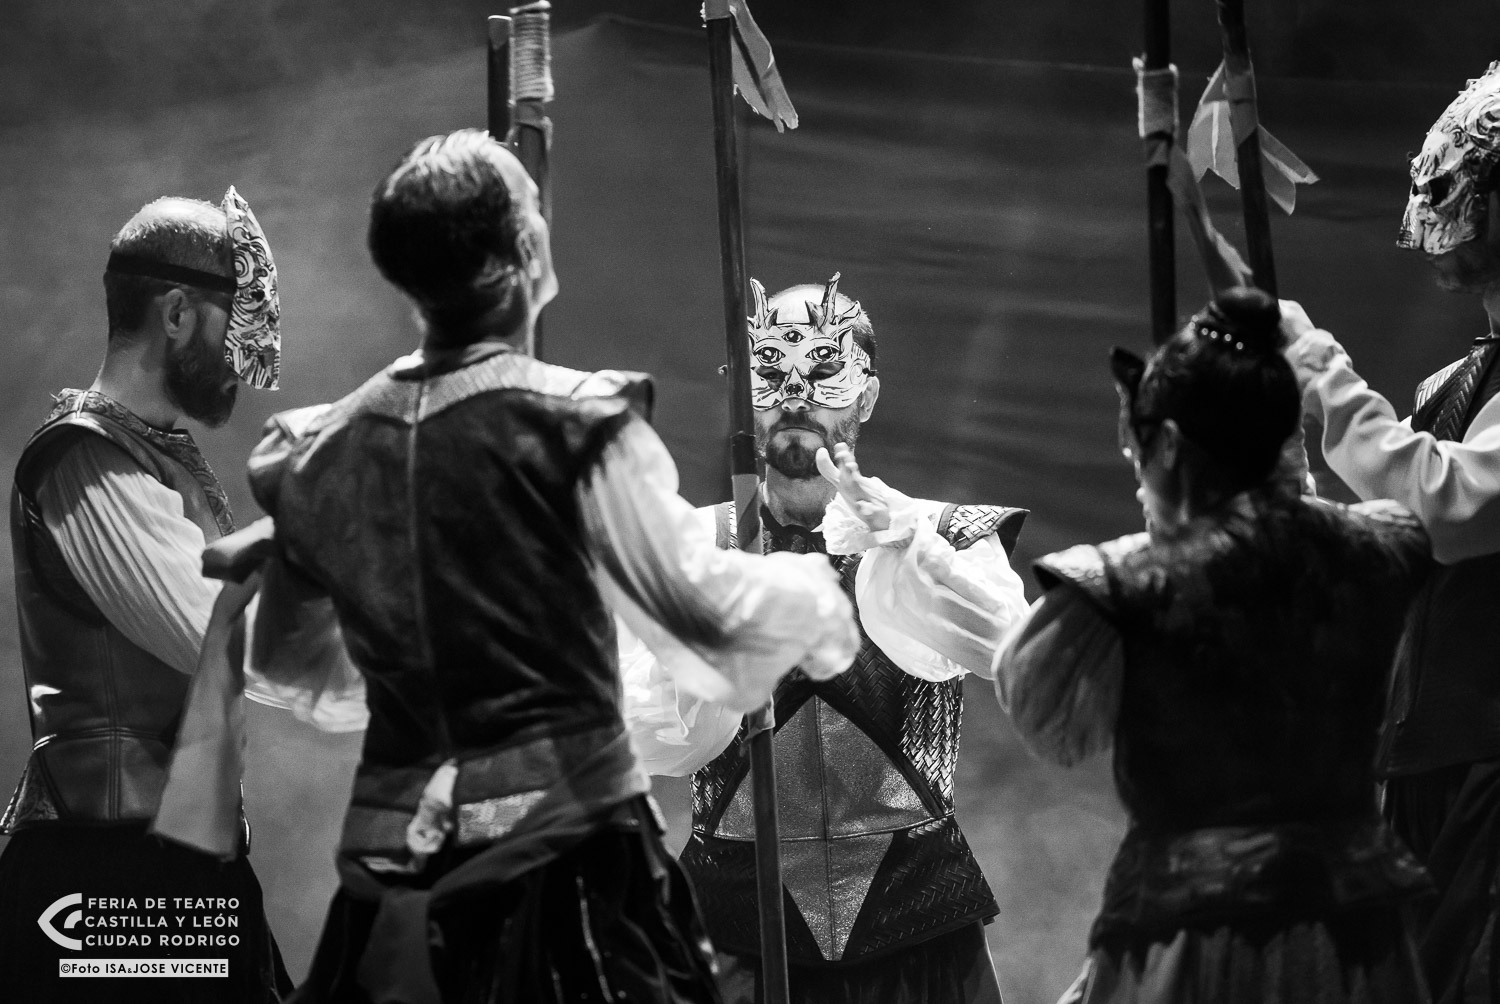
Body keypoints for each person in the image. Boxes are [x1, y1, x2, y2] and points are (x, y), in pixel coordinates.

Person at [196, 128, 861, 1004]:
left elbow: (296, 666)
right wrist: (809, 598)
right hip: (564, 882)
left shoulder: (326, 447)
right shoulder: (578, 427)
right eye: (535, 212)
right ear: (525, 252)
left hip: (393, 873)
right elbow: (708, 632)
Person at [995, 288, 1435, 1003]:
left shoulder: (1130, 580)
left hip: (1199, 943)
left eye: (1138, 453)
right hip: (1359, 941)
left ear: (1168, 444)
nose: (1140, 482)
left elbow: (1051, 726)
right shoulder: (1386, 544)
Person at [626, 274, 1031, 1004]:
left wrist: (911, 546)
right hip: (738, 939)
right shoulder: (689, 547)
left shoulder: (940, 533)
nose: (793, 395)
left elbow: (1010, 649)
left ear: (866, 396)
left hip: (914, 938)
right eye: (768, 370)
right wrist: (716, 638)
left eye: (821, 369)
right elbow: (650, 741)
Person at [0, 192, 292, 1001]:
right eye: (234, 321)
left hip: (173, 860)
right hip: (106, 871)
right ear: (177, 314)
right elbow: (218, 635)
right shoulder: (83, 460)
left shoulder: (154, 458)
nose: (245, 355)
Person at [1279, 60, 1500, 1003]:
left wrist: (1319, 369)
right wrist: (1288, 511)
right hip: (1426, 762)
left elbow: (1449, 508)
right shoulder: (1454, 385)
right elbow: (1395, 539)